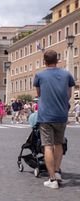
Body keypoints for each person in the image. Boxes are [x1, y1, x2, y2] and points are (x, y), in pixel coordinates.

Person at [33, 49, 75, 189]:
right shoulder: (67, 74)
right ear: (57, 60)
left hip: (46, 116)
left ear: (44, 61)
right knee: (59, 144)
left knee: (47, 146)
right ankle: (57, 172)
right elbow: (68, 94)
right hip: (61, 114)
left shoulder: (39, 75)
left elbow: (39, 94)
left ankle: (52, 179)